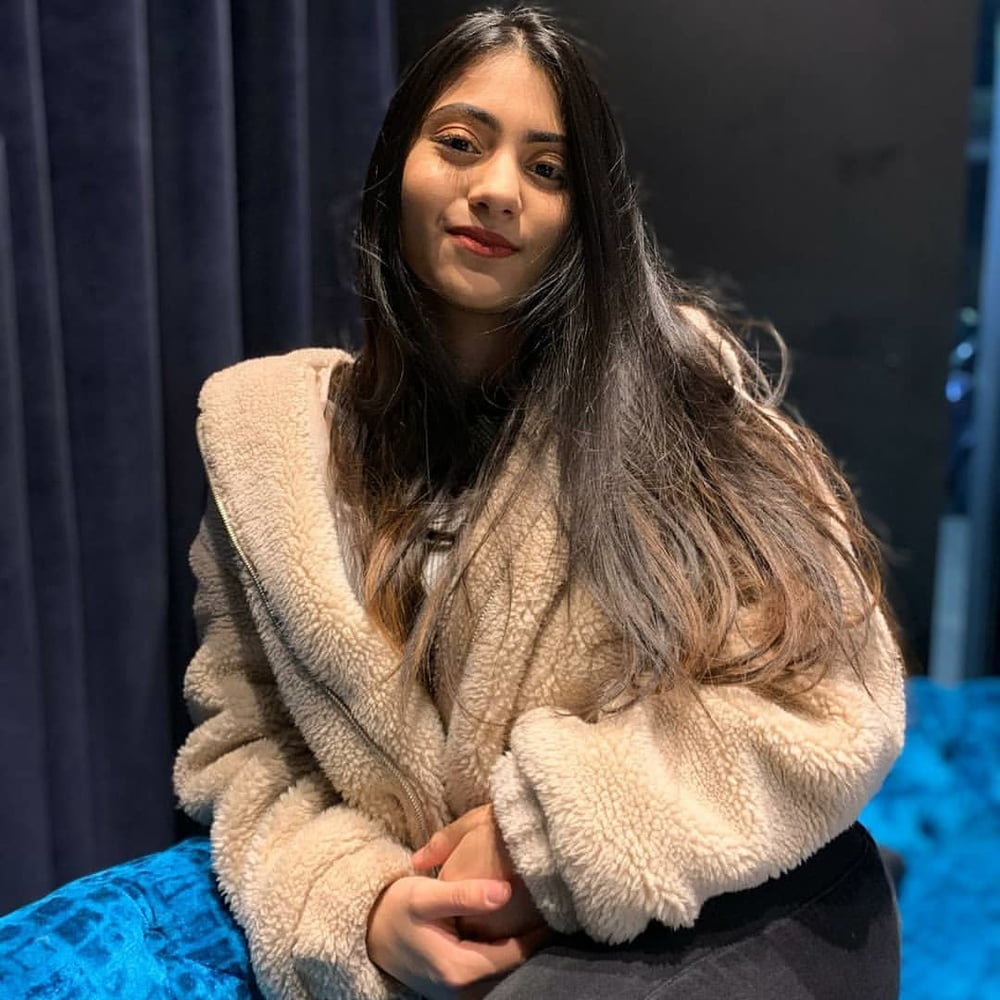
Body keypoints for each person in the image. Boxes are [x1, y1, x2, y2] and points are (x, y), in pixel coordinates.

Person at [174, 5, 905, 999]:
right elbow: (242, 744)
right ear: (397, 168)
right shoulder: (268, 457)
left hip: (730, 922)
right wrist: (360, 906)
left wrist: (546, 831)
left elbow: (829, 696)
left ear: (584, 217)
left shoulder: (686, 412)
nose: (497, 189)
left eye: (548, 168)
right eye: (459, 142)